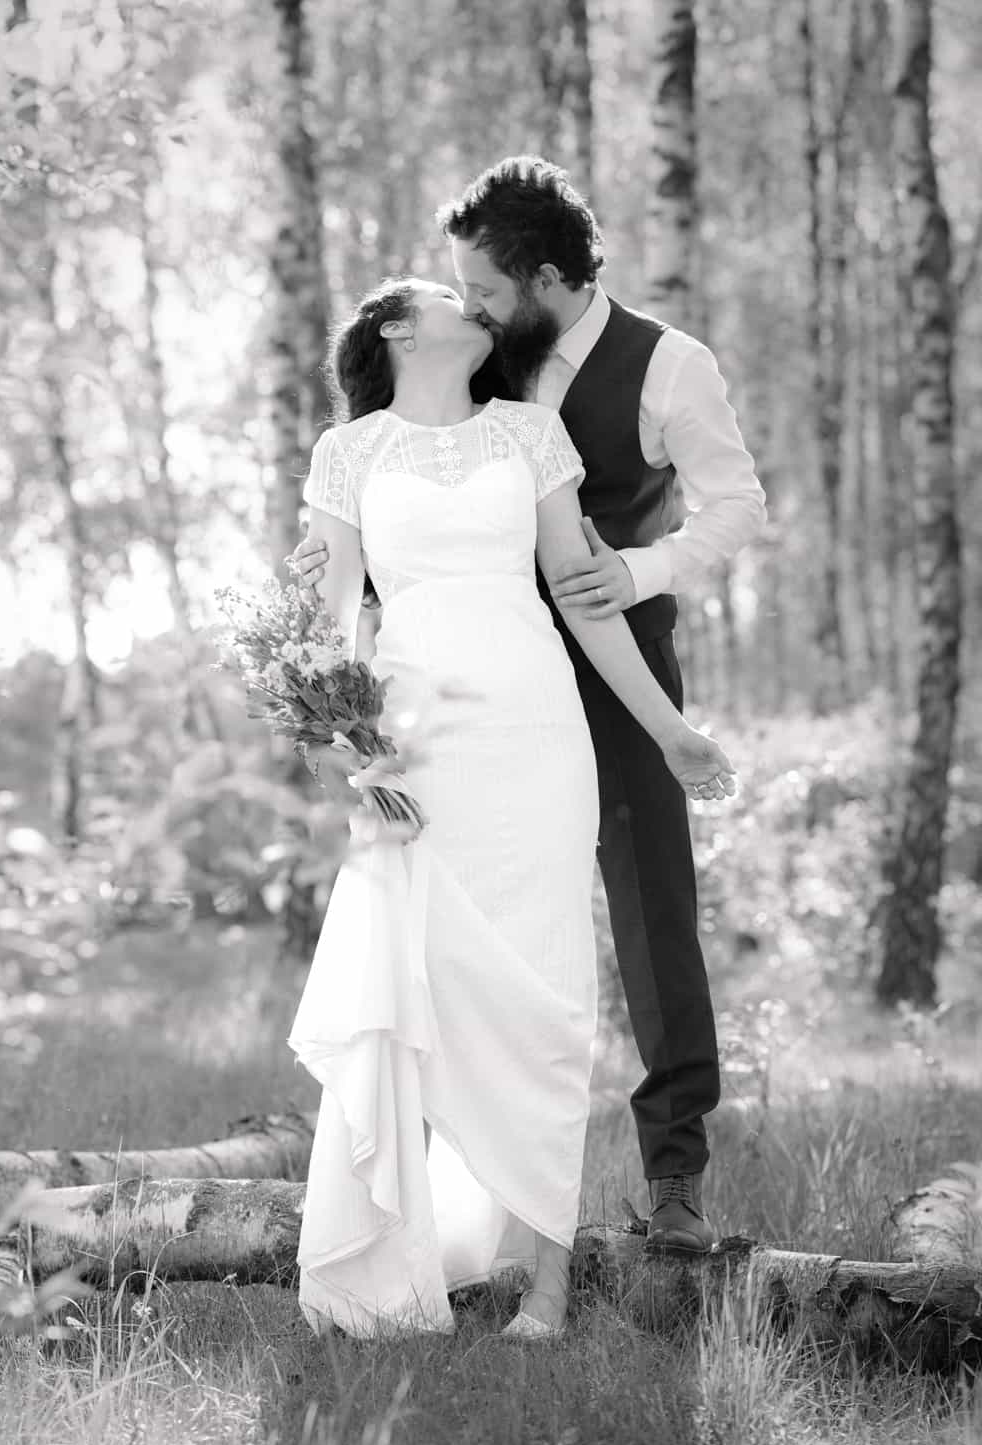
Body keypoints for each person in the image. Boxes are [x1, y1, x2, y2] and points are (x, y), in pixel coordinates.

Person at [293, 157, 767, 1255]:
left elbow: (737, 504)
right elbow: (394, 508)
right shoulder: (471, 378)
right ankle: (438, 1191)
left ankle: (676, 1175)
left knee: (653, 918)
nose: (470, 308)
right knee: (439, 929)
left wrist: (639, 575)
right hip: (461, 687)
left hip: (609, 661)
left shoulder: (669, 365)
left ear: (545, 278)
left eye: (485, 291)